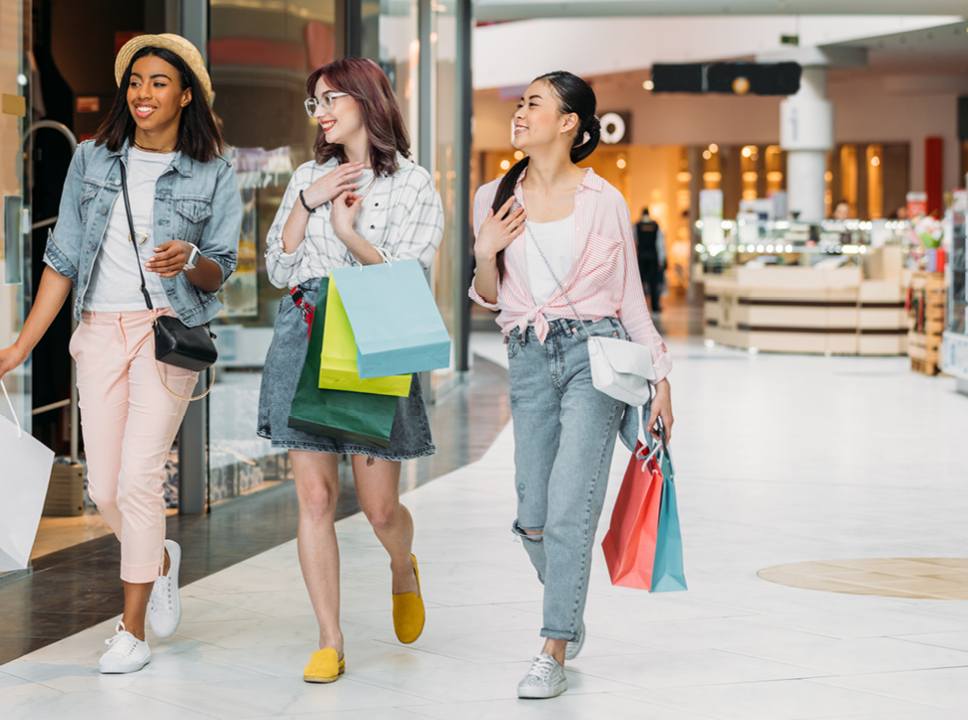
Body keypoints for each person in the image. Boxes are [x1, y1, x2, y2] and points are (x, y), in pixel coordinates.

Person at [0, 34, 241, 675]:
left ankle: (131, 632)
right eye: (135, 81)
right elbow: (63, 261)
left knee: (139, 480)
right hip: (98, 331)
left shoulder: (214, 170)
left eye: (158, 82)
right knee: (102, 488)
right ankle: (159, 559)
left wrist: (192, 259)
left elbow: (223, 270)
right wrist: (21, 346)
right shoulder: (93, 160)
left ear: (186, 94)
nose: (143, 93)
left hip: (165, 332)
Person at [470, 71, 674, 700]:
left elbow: (629, 297)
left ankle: (552, 646)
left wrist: (661, 374)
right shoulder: (494, 195)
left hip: (596, 358)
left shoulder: (604, 200)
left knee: (568, 508)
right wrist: (485, 249)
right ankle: (569, 603)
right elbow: (485, 297)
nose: (520, 112)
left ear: (569, 124)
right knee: (533, 513)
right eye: (521, 103)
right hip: (528, 358)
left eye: (534, 103)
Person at [258, 58, 443, 684]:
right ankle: (329, 639)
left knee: (380, 509)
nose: (322, 111)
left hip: (374, 334)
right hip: (306, 329)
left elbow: (413, 281)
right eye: (314, 102)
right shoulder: (308, 176)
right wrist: (308, 203)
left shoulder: (414, 183)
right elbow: (278, 272)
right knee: (313, 497)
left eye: (332, 97)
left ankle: (401, 567)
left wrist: (348, 233)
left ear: (368, 98)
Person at [633, 208, 666, 313]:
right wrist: (661, 258)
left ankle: (640, 307)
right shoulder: (655, 225)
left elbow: (632, 241)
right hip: (653, 256)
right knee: (654, 282)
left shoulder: (637, 225)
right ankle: (655, 306)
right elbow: (660, 243)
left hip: (641, 256)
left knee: (639, 283)